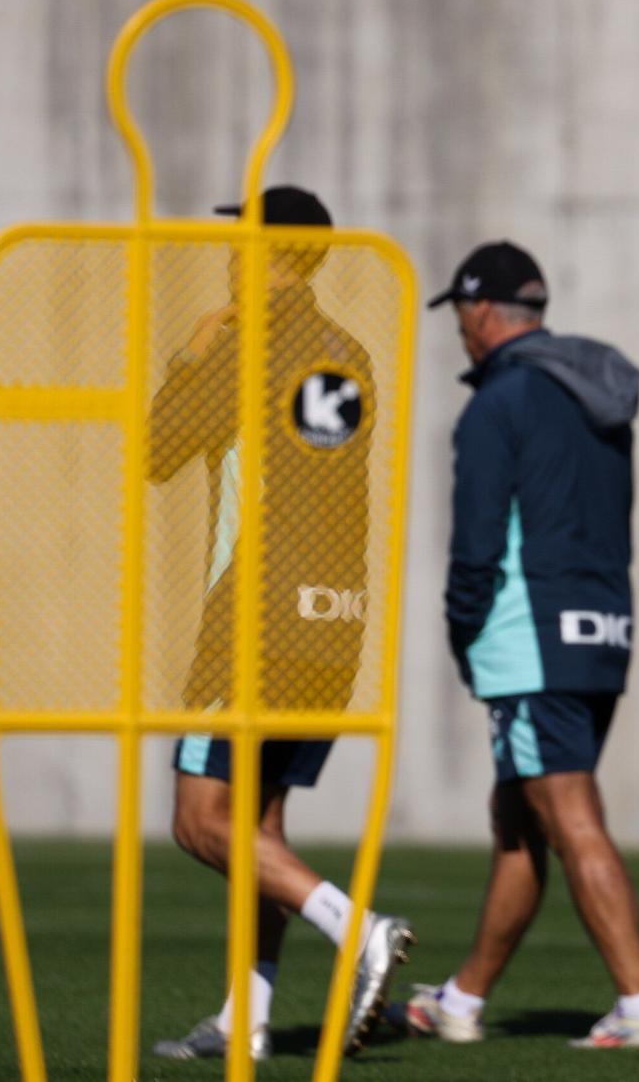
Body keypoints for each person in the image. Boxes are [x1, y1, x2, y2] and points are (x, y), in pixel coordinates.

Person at [148, 185, 412, 1062]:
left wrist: (190, 357)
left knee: (201, 823)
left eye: (246, 241)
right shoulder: (349, 351)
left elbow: (156, 451)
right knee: (259, 831)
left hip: (249, 624)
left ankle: (357, 929)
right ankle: (246, 1019)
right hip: (332, 624)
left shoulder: (244, 344)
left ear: (280, 255)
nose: (232, 254)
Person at [394, 241, 639, 1048]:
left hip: (529, 635)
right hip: (601, 628)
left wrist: (462, 633)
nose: (461, 335)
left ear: (479, 311)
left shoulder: (497, 404)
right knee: (521, 816)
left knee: (568, 815)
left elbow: (475, 545)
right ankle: (464, 999)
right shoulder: (595, 396)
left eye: (461, 318)